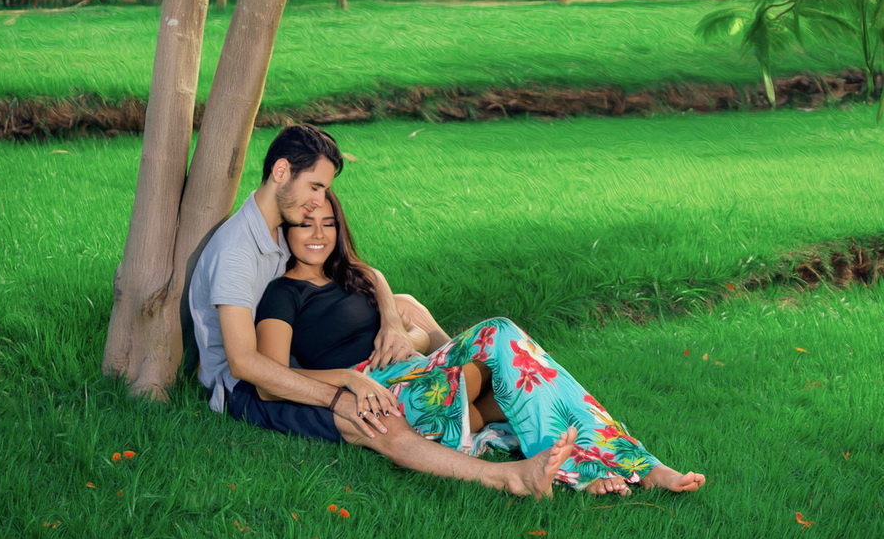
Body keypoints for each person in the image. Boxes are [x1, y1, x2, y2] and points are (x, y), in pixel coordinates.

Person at [186, 124, 579, 498]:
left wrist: (392, 321)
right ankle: (510, 477)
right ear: (281, 171)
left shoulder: (280, 221)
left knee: (408, 307)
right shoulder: (237, 252)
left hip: (293, 351)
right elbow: (245, 365)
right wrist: (339, 393)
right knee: (374, 420)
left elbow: (352, 268)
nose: (319, 200)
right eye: (315, 186)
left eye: (325, 190)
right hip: (247, 389)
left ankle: (459, 381)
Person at [255, 190, 706, 495]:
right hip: (383, 395)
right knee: (500, 339)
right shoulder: (283, 294)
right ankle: (586, 466)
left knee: (526, 377)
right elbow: (272, 380)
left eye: (328, 224)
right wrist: (350, 379)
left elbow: (415, 321)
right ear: (285, 230)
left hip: (419, 376)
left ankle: (636, 464)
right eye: (305, 224)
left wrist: (401, 329)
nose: (318, 235)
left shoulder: (356, 277)